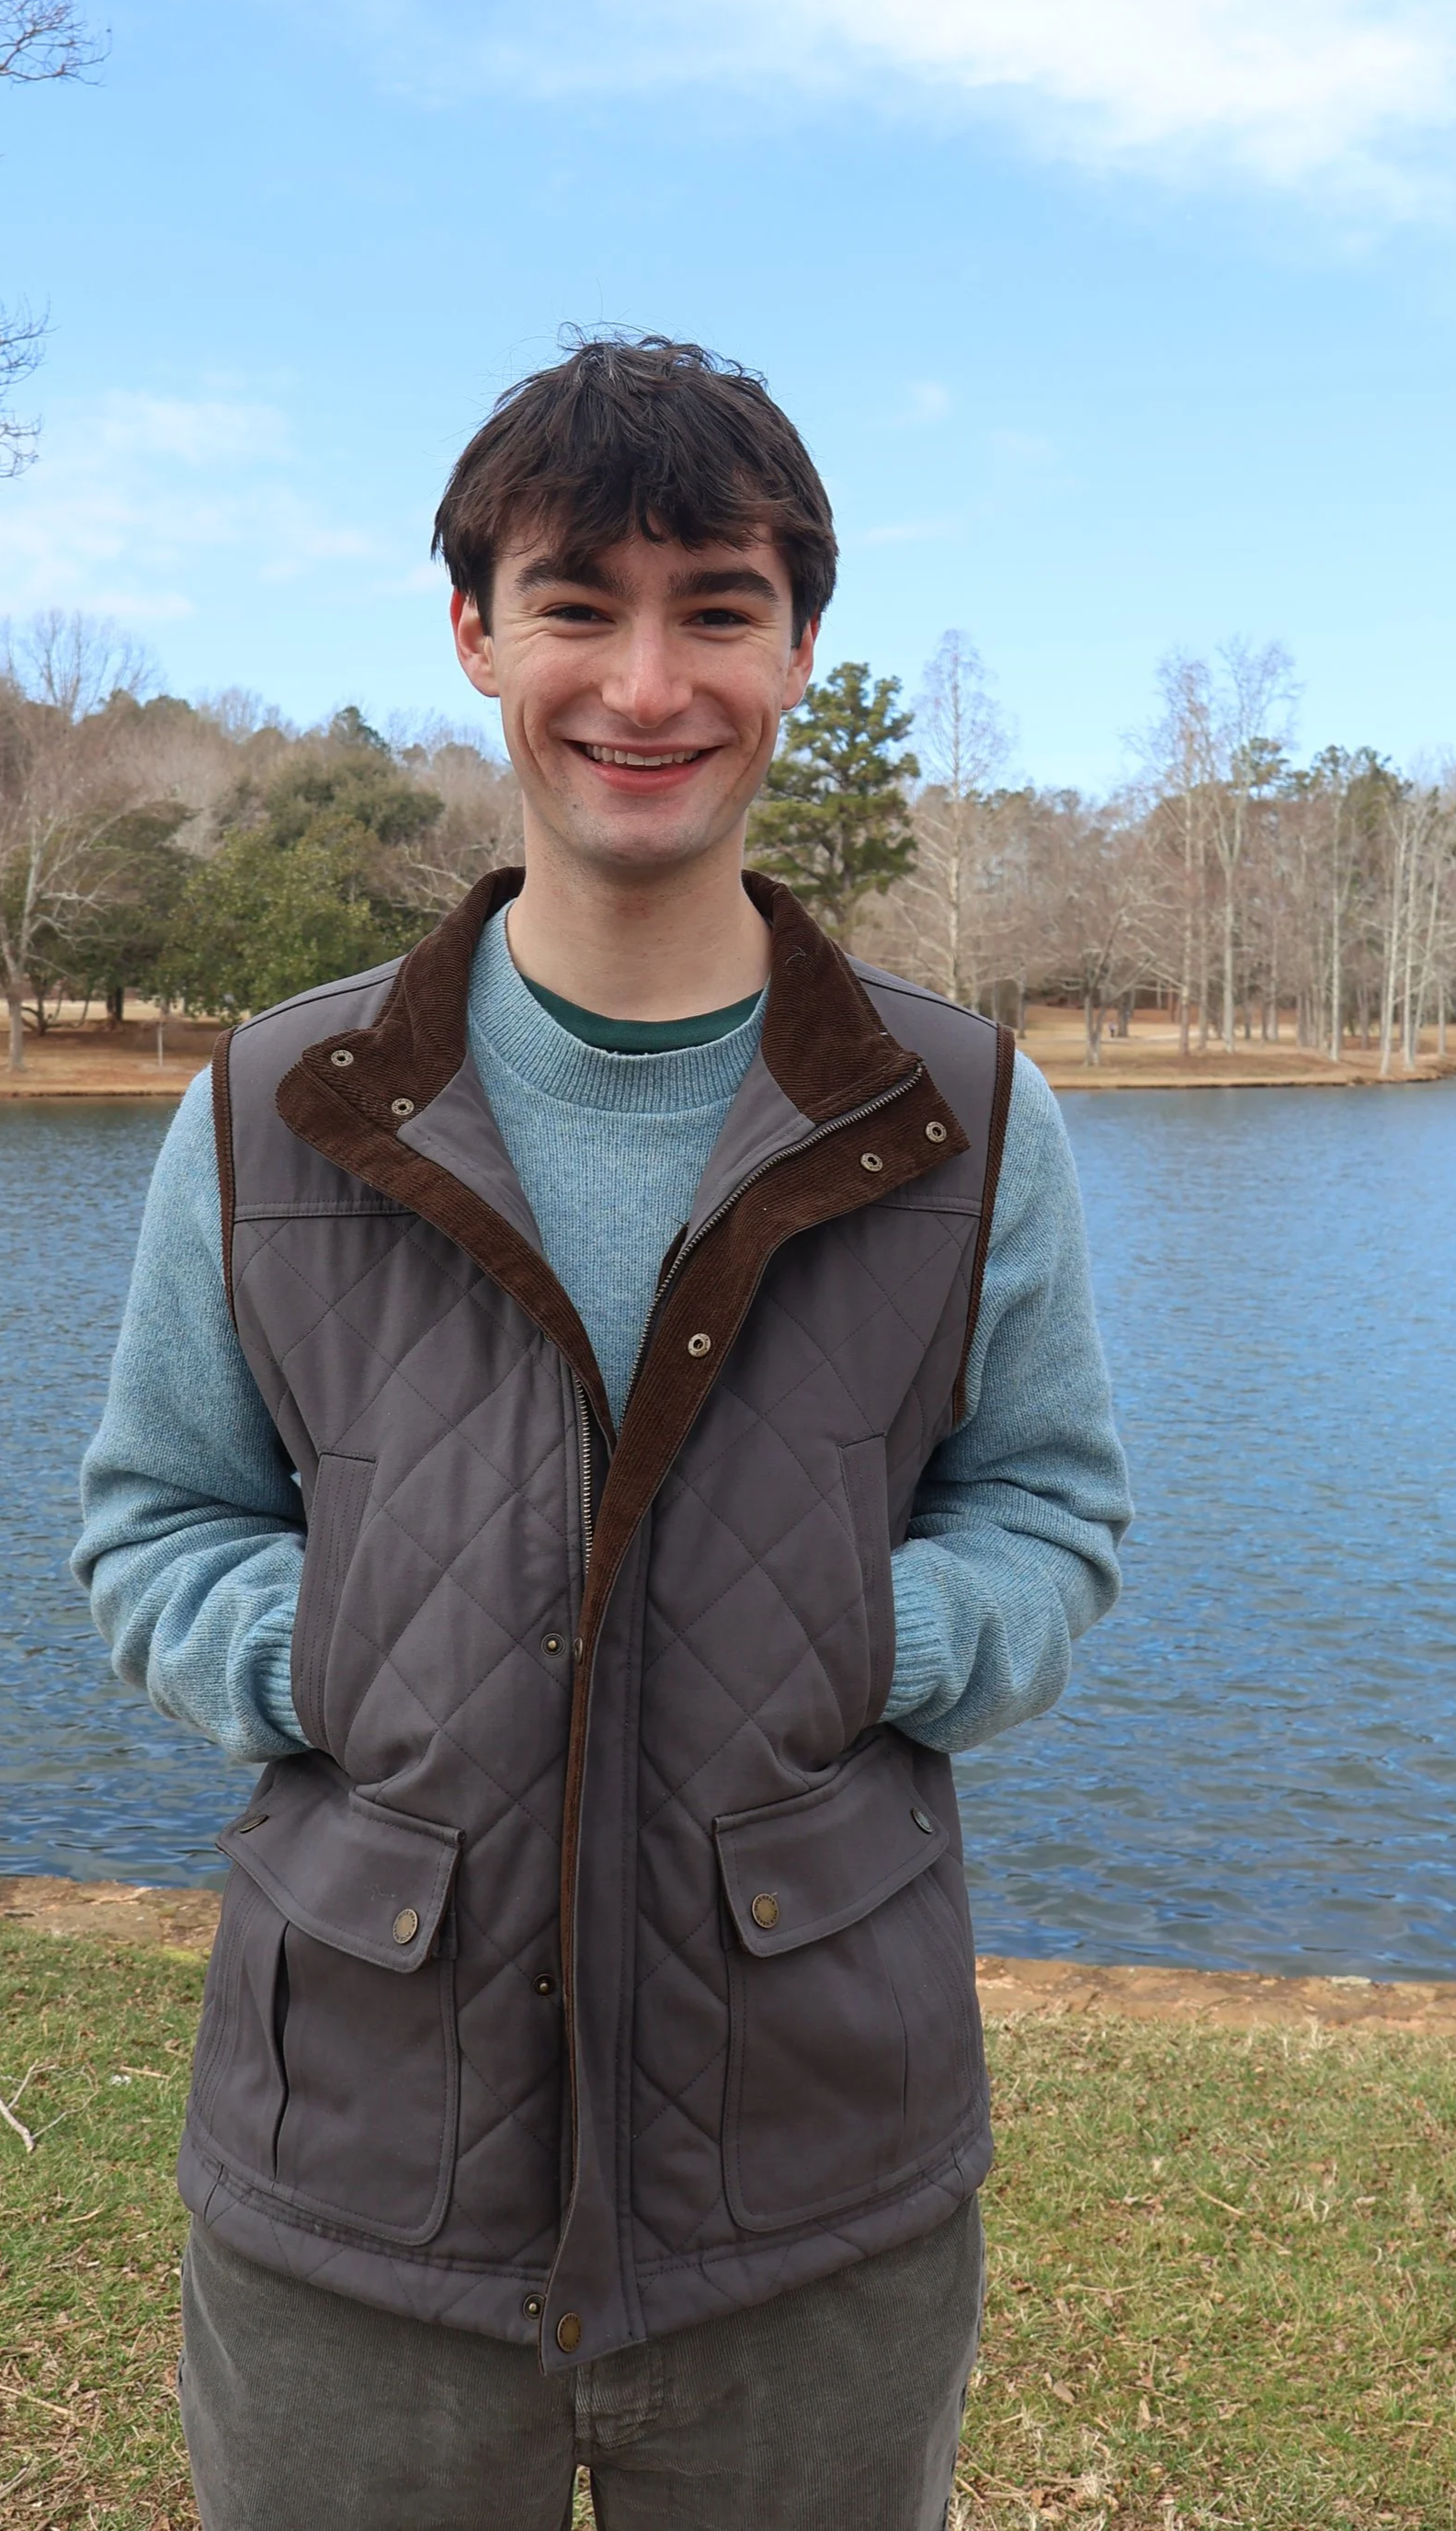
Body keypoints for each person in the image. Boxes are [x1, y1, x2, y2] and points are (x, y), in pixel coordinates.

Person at [74, 334, 1131, 2531]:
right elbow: (154, 1520)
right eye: (577, 600)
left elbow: (1045, 1510)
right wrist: (321, 1654)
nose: (644, 682)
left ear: (797, 650)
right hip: (352, 2184)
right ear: (475, 632)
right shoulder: (271, 1108)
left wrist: (881, 1635)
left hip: (812, 2183)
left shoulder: (964, 1106)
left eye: (715, 608)